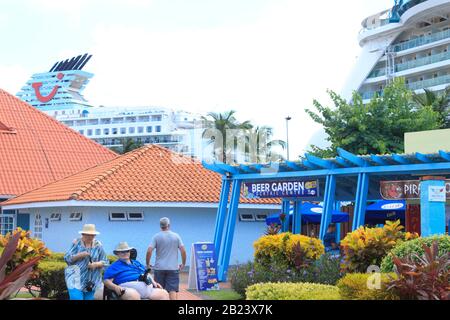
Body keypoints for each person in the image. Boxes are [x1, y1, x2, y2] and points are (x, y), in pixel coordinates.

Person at [103, 242, 169, 300]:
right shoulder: (114, 266)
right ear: (117, 253)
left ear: (129, 252)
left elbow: (146, 273)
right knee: (134, 295)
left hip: (147, 288)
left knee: (164, 294)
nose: (125, 253)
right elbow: (106, 281)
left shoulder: (136, 263)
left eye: (127, 251)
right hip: (127, 288)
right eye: (122, 251)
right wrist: (115, 287)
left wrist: (154, 282)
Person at [64, 224, 108, 300]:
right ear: (83, 234)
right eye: (87, 235)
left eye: (92, 235)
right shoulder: (76, 243)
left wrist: (96, 264)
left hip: (91, 280)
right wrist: (79, 255)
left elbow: (106, 261)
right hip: (75, 278)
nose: (90, 237)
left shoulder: (98, 245)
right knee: (76, 298)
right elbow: (67, 258)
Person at [146, 217, 186, 300]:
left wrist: (147, 264)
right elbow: (183, 251)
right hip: (173, 268)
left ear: (160, 226)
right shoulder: (176, 236)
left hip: (159, 268)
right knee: (172, 290)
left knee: (159, 290)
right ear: (169, 225)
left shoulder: (156, 237)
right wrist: (183, 263)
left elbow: (149, 251)